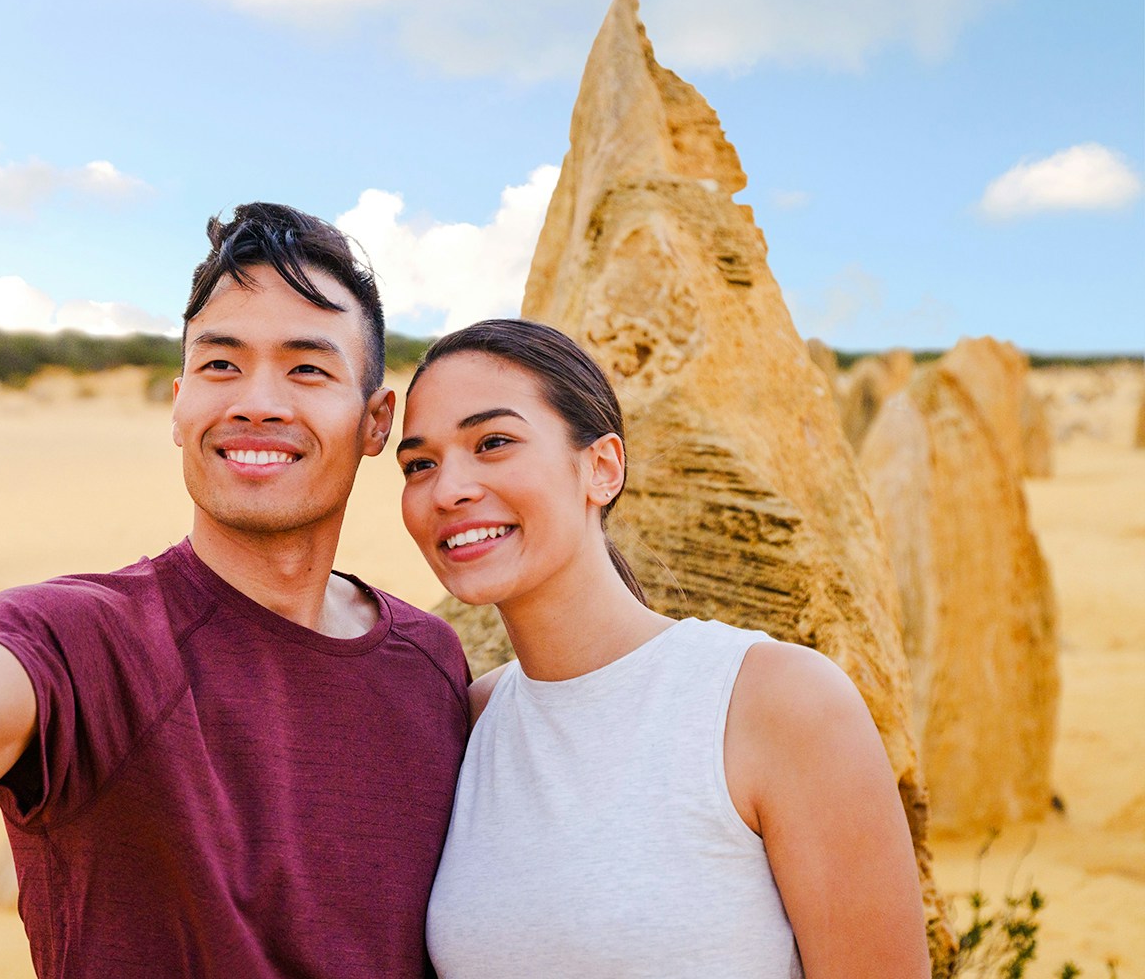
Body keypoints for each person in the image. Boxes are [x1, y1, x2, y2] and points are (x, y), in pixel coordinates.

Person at [0, 202, 471, 979]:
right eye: (220, 365)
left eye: (307, 369)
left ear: (375, 421)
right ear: (179, 403)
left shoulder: (431, 661)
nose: (256, 402)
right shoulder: (85, 641)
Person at [395, 319, 930, 979]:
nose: (448, 489)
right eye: (419, 464)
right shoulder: (473, 722)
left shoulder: (776, 703)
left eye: (493, 443)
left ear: (602, 468)